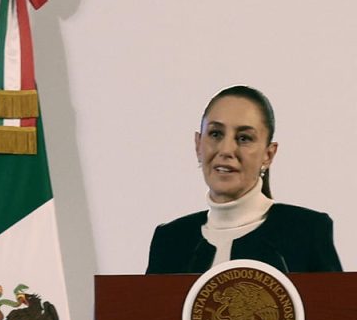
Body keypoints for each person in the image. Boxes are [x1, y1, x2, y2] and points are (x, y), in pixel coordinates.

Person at [146, 85, 343, 274]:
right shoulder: (170, 240)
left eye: (244, 138)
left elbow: (336, 308)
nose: (226, 150)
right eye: (215, 134)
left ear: (268, 154)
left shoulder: (306, 232)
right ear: (198, 145)